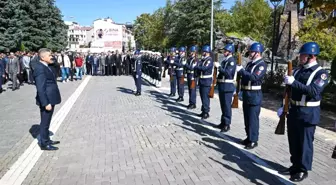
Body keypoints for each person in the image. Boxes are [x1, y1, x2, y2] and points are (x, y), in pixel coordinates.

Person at [278, 42, 329, 182]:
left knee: (305, 143)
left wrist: (293, 82)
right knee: (293, 141)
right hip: (294, 110)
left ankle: (303, 169)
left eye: (303, 55)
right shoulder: (298, 70)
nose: (300, 57)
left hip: (308, 112)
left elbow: (313, 91)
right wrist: (283, 106)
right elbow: (288, 91)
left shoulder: (321, 73)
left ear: (311, 56)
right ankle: (295, 165)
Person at [236, 42, 267, 149]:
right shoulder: (250, 64)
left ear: (257, 53)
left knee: (253, 119)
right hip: (246, 93)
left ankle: (254, 140)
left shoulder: (261, 65)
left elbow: (254, 78)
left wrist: (242, 71)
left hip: (254, 95)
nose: (250, 53)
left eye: (252, 52)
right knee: (247, 118)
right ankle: (248, 137)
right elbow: (245, 78)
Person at [33, 48, 61, 151]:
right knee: (44, 122)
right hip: (47, 100)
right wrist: (46, 103)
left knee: (47, 121)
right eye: (49, 55)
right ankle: (44, 143)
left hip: (50, 98)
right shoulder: (40, 68)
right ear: (42, 57)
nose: (51, 57)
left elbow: (56, 68)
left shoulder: (47, 66)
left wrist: (53, 61)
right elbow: (40, 88)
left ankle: (47, 139)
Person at [214, 44, 237, 132]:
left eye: (226, 51)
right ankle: (223, 122)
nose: (224, 52)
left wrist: (219, 67)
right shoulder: (224, 61)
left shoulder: (231, 61)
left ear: (230, 52)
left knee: (227, 106)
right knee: (223, 105)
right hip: (222, 85)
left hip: (227, 86)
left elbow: (228, 73)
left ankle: (227, 124)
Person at [194, 45, 213, 119]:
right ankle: (203, 111)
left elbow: (204, 68)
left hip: (206, 81)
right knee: (202, 96)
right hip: (202, 80)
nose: (203, 53)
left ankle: (206, 112)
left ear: (207, 52)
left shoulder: (209, 60)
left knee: (205, 97)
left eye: (204, 51)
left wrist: (197, 67)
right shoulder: (203, 60)